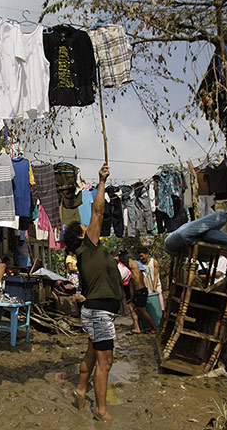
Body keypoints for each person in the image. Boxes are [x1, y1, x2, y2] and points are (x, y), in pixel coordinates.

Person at [63, 163, 122, 422]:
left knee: (91, 353)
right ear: (81, 236)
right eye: (84, 228)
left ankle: (79, 390)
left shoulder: (86, 251)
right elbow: (98, 211)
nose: (90, 227)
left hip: (96, 311)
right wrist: (101, 181)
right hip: (99, 313)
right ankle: (100, 410)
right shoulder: (88, 247)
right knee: (105, 361)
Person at [122, 249, 159, 335]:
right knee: (131, 307)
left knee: (142, 310)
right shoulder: (134, 263)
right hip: (138, 291)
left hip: (140, 291)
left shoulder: (131, 263)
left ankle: (154, 327)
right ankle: (136, 327)